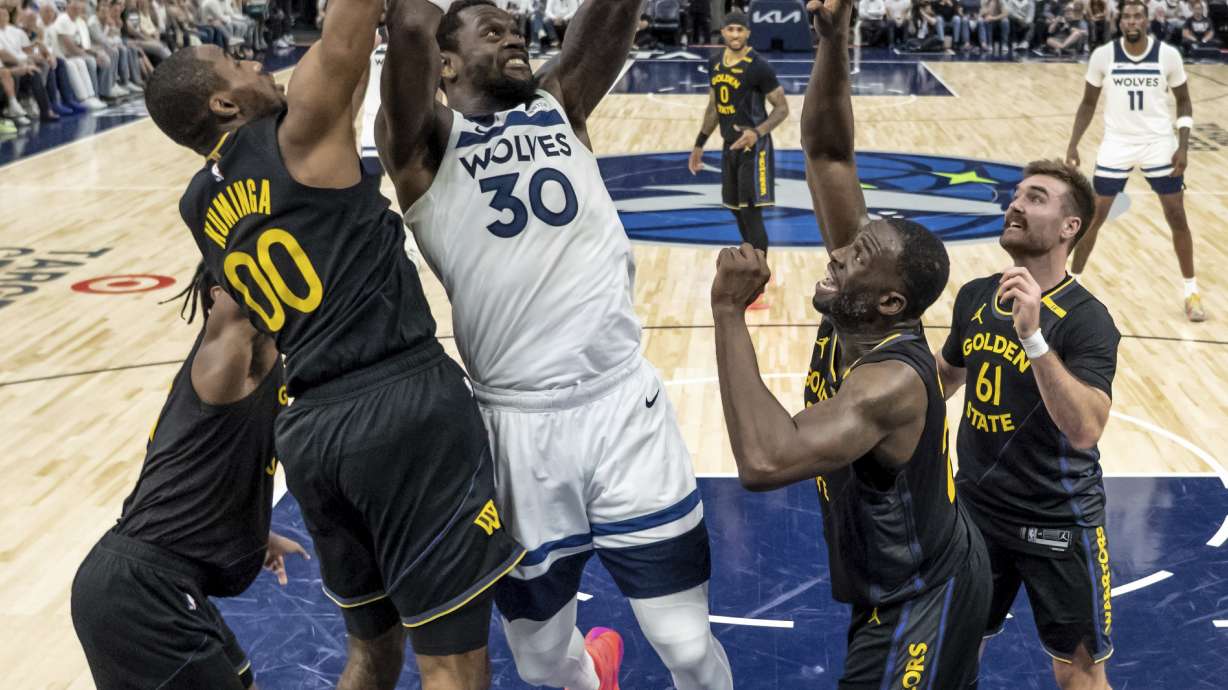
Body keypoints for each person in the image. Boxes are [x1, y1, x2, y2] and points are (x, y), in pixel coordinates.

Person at [142, 0, 526, 684]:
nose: (256, 60)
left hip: (311, 434)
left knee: (369, 654)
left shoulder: (198, 205)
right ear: (226, 104)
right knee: (452, 662)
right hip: (402, 407)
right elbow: (350, 29)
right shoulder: (298, 134)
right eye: (237, 63)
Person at [376, 1, 733, 689]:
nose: (515, 33)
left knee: (687, 646)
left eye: (518, 25)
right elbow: (414, 24)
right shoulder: (420, 146)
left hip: (622, 408)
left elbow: (606, 20)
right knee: (542, 664)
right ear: (445, 63)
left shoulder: (557, 104)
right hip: (516, 430)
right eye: (493, 29)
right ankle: (595, 672)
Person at [711, 1, 992, 687]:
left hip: (921, 590)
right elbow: (829, 153)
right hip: (921, 561)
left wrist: (728, 311)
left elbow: (765, 458)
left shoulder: (889, 383)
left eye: (855, 258)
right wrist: (832, 40)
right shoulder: (860, 304)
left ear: (891, 301)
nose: (835, 258)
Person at [71, 264, 308, 690]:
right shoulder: (226, 364)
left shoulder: (267, 368)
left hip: (164, 585)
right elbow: (243, 297)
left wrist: (251, 532)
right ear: (222, 295)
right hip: (140, 593)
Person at [937, 156, 1120, 688]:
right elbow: (943, 378)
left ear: (1070, 228)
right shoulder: (976, 295)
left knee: (1078, 674)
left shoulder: (1088, 319)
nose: (1015, 204)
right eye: (1017, 195)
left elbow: (1086, 428)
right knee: (950, 652)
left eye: (1035, 197)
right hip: (974, 516)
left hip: (1059, 522)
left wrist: (1033, 338)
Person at [1066, 0, 1203, 321]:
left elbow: (1184, 101)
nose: (1132, 21)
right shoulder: (1104, 56)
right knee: (1093, 218)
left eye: (1137, 15)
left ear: (1146, 19)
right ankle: (1070, 288)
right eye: (1126, 16)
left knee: (1176, 215)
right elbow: (1088, 103)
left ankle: (1191, 290)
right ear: (1119, 21)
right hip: (1117, 144)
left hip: (1158, 144)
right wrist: (1073, 143)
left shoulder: (1168, 56)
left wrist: (1182, 147)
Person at [688, 10, 788, 308]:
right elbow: (713, 107)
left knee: (752, 213)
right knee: (735, 209)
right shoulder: (715, 63)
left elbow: (782, 108)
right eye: (730, 30)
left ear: (747, 34)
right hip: (729, 146)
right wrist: (699, 144)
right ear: (723, 33)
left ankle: (757, 285)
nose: (734, 35)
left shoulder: (759, 67)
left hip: (753, 150)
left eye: (739, 30)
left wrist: (757, 133)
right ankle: (752, 269)